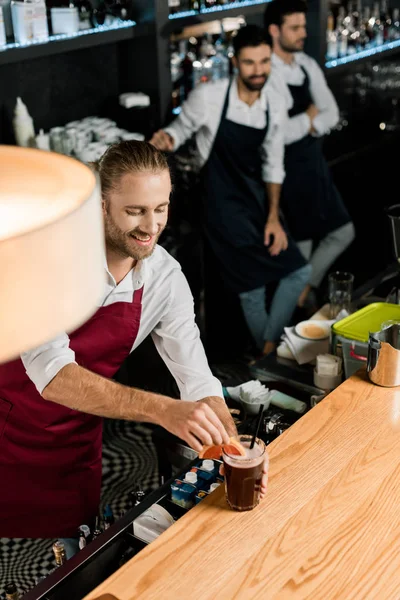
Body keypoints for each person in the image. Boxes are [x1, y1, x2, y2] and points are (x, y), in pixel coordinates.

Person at [0, 141, 265, 547]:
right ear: (102, 205)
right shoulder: (53, 259)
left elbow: (198, 379)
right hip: (11, 421)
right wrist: (163, 410)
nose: (151, 226)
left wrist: (233, 450)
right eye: (135, 211)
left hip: (78, 428)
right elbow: (52, 376)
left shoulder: (165, 278)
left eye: (161, 208)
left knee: (72, 549)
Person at [150, 25, 311, 357]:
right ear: (236, 61)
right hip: (216, 204)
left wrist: (273, 218)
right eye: (250, 63)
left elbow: (273, 163)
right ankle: (270, 353)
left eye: (265, 62)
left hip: (253, 199)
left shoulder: (275, 103)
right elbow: (178, 132)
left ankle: (267, 351)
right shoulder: (209, 97)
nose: (258, 71)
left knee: (299, 270)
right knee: (251, 287)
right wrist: (165, 139)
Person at [264, 0, 355, 310]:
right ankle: (287, 334)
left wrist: (305, 123)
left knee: (343, 231)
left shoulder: (305, 64)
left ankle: (303, 291)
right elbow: (277, 133)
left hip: (315, 165)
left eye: (303, 26)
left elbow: (331, 113)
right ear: (275, 30)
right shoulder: (268, 72)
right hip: (288, 175)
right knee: (299, 253)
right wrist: (309, 119)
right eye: (296, 27)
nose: (303, 33)